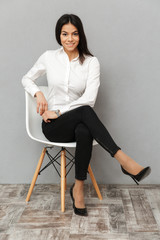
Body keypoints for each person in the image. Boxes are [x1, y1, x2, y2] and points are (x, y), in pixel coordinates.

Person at [22, 14, 151, 216]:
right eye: (65, 34)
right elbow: (26, 78)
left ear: (80, 35)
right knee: (85, 113)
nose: (69, 39)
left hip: (75, 122)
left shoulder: (91, 63)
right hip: (54, 127)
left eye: (74, 34)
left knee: (84, 126)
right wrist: (38, 93)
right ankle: (124, 161)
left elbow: (89, 99)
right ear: (59, 35)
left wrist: (59, 111)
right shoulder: (48, 57)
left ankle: (78, 188)